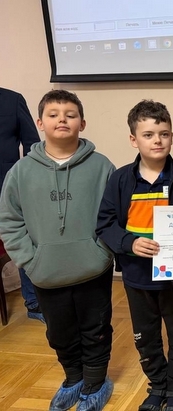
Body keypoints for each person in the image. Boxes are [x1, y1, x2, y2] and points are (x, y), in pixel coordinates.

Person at [0, 89, 115, 411]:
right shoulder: (21, 172)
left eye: (70, 114)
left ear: (82, 123)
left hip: (93, 268)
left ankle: (96, 382)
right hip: (46, 270)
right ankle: (73, 378)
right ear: (40, 123)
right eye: (53, 114)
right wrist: (29, 260)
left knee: (96, 328)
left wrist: (102, 252)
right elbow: (10, 220)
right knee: (59, 331)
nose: (62, 119)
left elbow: (115, 215)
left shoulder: (102, 166)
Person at [96, 100, 173, 411]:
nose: (158, 140)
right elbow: (105, 224)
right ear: (134, 139)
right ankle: (157, 384)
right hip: (137, 277)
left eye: (164, 134)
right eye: (149, 134)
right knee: (146, 336)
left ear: (172, 137)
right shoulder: (120, 179)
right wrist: (129, 243)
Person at [0, 87, 44, 323]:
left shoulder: (12, 100)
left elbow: (32, 145)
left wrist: (26, 183)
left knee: (25, 239)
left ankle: (34, 302)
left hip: (8, 188)